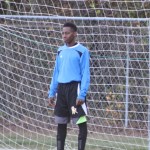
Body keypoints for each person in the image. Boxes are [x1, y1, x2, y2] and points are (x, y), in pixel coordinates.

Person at [48, 22, 90, 150]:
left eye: (67, 33)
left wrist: (82, 94)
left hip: (74, 92)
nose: (64, 35)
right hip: (61, 92)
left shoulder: (82, 51)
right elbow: (56, 72)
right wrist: (51, 92)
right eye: (63, 33)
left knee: (80, 122)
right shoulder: (60, 50)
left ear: (75, 34)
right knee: (61, 124)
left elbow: (85, 74)